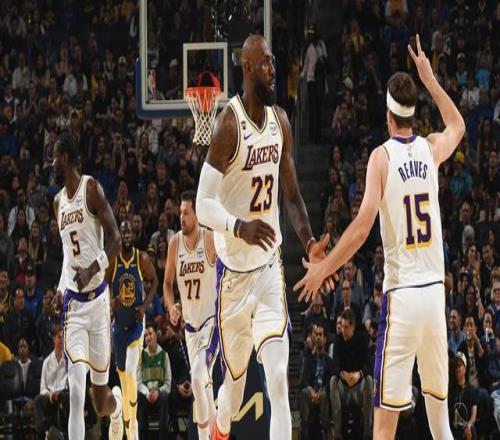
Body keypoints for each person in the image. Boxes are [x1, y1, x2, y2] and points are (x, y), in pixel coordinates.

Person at [295, 35, 465, 439]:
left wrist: (323, 268)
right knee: (440, 424)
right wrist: (429, 78)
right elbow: (457, 124)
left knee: (384, 426)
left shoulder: (381, 158)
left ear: (388, 116)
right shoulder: (430, 149)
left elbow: (360, 229)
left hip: (403, 297)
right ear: (412, 114)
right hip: (434, 296)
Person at [196, 34, 331, 440]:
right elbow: (203, 204)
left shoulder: (281, 122)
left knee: (278, 380)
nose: (274, 70)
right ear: (248, 67)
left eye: (273, 62)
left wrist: (309, 244)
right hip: (233, 280)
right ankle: (220, 429)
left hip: (269, 273)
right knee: (234, 391)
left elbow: (292, 196)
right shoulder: (228, 126)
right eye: (267, 63)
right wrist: (240, 227)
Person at [52, 131, 123, 440]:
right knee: (77, 391)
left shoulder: (91, 189)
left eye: (55, 158)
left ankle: (117, 408)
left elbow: (116, 241)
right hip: (74, 309)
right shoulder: (57, 203)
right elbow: (67, 257)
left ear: (65, 158)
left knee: (100, 401)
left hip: (99, 304)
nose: (51, 163)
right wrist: (60, 289)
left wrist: (92, 269)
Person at [163, 190, 217, 440]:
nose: (181, 218)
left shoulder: (210, 239)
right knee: (205, 386)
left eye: (186, 213)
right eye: (180, 213)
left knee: (196, 377)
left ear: (196, 214)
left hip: (211, 324)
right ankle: (216, 433)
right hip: (190, 329)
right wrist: (171, 306)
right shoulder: (175, 244)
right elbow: (167, 284)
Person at [105, 219, 158, 440]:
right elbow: (103, 285)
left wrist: (144, 307)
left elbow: (155, 281)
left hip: (136, 326)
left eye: (128, 233)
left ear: (132, 236)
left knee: (130, 370)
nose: (126, 236)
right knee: (124, 379)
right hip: (119, 327)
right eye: (123, 233)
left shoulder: (141, 258)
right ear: (119, 235)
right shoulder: (113, 260)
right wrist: (111, 302)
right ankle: (127, 423)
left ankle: (132, 426)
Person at [137, 322, 172, 440]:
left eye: (150, 334)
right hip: (146, 397)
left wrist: (157, 392)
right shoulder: (140, 356)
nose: (148, 337)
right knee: (139, 397)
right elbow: (138, 383)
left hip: (159, 398)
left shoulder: (164, 355)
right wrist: (147, 394)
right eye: (145, 336)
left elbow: (168, 384)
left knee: (164, 396)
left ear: (156, 335)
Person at [34, 325, 68, 440]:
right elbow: (43, 388)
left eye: (63, 338)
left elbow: (69, 384)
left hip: (63, 396)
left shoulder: (69, 361)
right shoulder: (47, 362)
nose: (62, 340)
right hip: (50, 397)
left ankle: (62, 432)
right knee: (38, 400)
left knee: (66, 397)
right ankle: (41, 433)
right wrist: (50, 394)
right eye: (59, 337)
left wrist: (60, 393)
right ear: (54, 339)